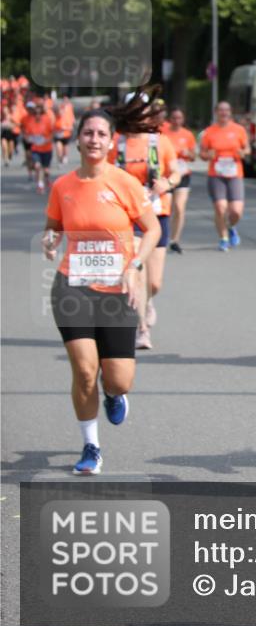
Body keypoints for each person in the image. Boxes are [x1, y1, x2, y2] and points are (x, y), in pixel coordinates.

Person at [42, 103, 161, 475]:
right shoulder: (63, 186)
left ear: (112, 142)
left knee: (119, 378)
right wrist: (49, 240)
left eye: (101, 134)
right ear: (78, 139)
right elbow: (54, 226)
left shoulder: (124, 182)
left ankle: (113, 394)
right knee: (83, 370)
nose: (94, 139)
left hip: (117, 292)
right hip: (72, 287)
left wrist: (136, 264)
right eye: (88, 133)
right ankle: (91, 445)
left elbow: (152, 229)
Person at [109, 89, 182, 350]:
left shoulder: (158, 142)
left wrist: (167, 182)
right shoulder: (116, 143)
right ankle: (141, 329)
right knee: (137, 272)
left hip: (156, 213)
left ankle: (148, 301)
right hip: (127, 217)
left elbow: (176, 172)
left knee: (154, 282)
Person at [200, 101, 250, 252]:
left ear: (230, 112)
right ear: (216, 112)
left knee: (236, 211)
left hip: (235, 173)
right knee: (220, 208)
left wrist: (244, 153)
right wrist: (207, 155)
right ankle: (223, 238)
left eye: (226, 110)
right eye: (221, 110)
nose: (224, 113)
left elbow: (247, 149)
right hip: (216, 174)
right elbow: (202, 153)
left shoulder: (239, 130)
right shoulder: (209, 132)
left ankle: (231, 227)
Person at [161, 107, 197, 254]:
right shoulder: (163, 133)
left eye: (179, 118)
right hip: (167, 175)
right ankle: (164, 235)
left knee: (179, 207)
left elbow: (194, 157)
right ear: (170, 119)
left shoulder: (188, 135)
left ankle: (175, 240)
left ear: (183, 120)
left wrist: (188, 153)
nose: (176, 121)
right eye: (174, 117)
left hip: (183, 175)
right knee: (167, 207)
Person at [21, 100, 57, 193]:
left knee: (46, 170)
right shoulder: (30, 122)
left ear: (42, 113)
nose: (37, 115)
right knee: (37, 166)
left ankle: (47, 179)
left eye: (39, 113)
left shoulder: (47, 121)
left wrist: (48, 140)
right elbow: (26, 133)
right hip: (36, 149)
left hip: (47, 149)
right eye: (35, 113)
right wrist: (28, 139)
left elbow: (53, 132)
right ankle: (40, 185)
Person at [54, 94, 75, 165]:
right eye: (64, 100)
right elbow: (55, 110)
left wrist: (71, 126)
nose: (65, 101)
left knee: (65, 147)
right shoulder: (59, 108)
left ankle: (64, 156)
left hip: (66, 132)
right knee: (58, 146)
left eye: (67, 100)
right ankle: (59, 158)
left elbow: (72, 117)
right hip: (58, 132)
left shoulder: (70, 107)